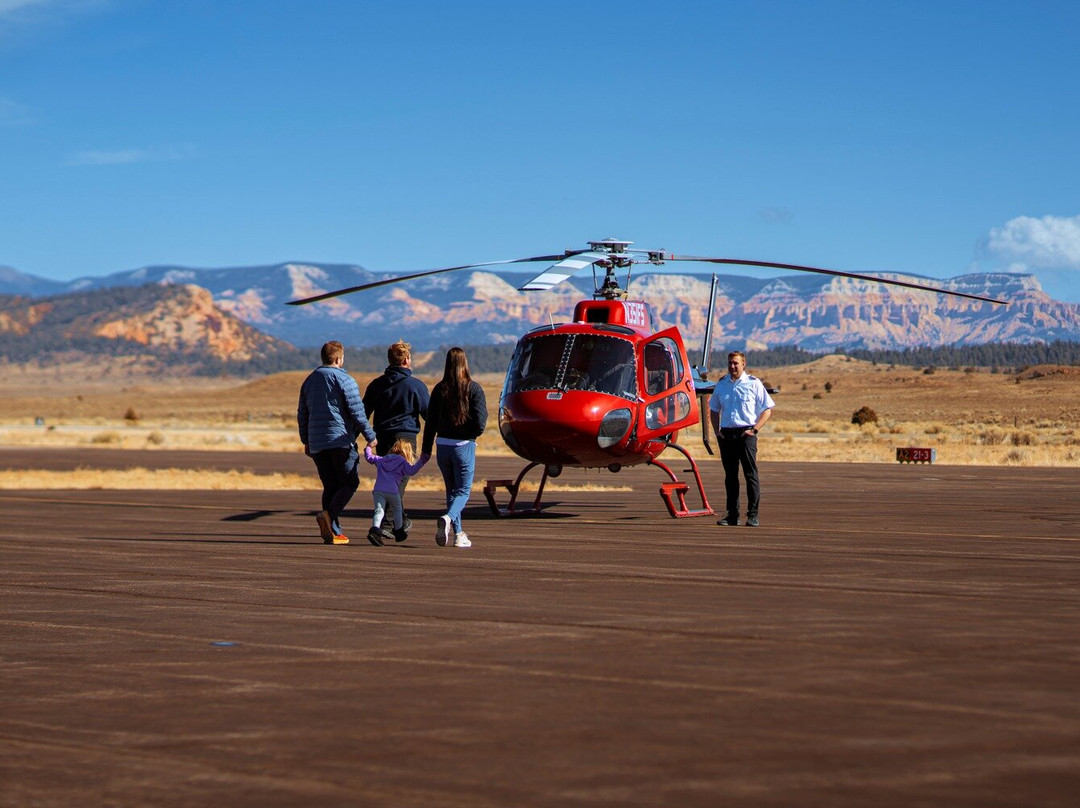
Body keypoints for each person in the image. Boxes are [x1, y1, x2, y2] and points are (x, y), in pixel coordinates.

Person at [297, 341, 376, 544]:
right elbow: (357, 412)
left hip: (317, 443)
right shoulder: (344, 379)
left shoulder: (309, 381)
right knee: (350, 482)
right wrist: (370, 436)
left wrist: (306, 440)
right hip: (339, 440)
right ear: (339, 359)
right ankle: (329, 516)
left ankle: (332, 532)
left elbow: (302, 414)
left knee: (330, 485)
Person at [421, 346, 487, 548]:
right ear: (465, 363)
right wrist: (468, 434)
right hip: (463, 446)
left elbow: (430, 422)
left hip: (442, 445)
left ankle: (458, 534)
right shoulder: (474, 389)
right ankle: (448, 518)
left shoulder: (439, 389)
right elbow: (480, 423)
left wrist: (426, 449)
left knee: (451, 491)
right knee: (463, 491)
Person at [708, 350, 775, 527]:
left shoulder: (753, 383)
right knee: (730, 476)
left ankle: (753, 515)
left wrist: (755, 429)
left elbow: (767, 409)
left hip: (746, 434)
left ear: (743, 364)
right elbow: (714, 409)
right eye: (730, 363)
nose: (732, 366)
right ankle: (732, 515)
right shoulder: (722, 384)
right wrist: (717, 431)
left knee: (750, 474)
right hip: (727, 434)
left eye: (736, 363)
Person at [363, 439, 429, 546]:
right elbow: (412, 471)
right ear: (407, 451)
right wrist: (422, 461)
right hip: (392, 491)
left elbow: (369, 457)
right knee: (397, 510)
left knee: (379, 511)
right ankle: (399, 531)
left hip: (378, 490)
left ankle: (375, 530)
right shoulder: (402, 462)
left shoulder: (382, 459)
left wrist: (369, 447)